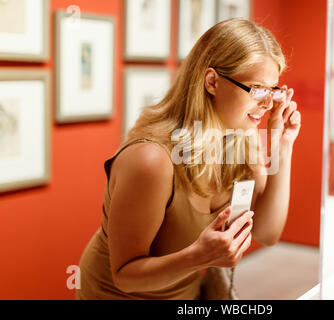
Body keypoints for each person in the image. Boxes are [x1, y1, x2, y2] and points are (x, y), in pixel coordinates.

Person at [75, 18, 301, 300]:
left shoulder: (244, 142)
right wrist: (198, 256)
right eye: (257, 89)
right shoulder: (152, 161)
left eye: (274, 90)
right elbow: (125, 277)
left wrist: (283, 145)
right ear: (212, 82)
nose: (268, 105)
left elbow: (268, 233)